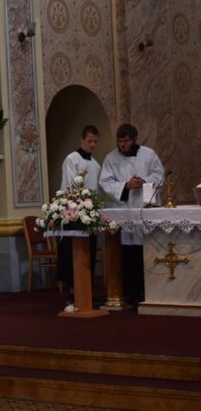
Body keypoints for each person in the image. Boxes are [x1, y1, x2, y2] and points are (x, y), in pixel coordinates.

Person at [99, 123, 165, 304]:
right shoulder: (111, 158)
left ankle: (148, 292)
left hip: (144, 208)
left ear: (134, 139)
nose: (122, 144)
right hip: (125, 210)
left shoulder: (148, 154)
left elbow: (160, 175)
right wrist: (125, 186)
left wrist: (145, 181)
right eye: (119, 141)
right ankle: (131, 293)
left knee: (145, 252)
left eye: (126, 141)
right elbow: (105, 183)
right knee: (128, 254)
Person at [57, 125, 102, 304]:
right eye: (90, 141)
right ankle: (72, 292)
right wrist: (80, 203)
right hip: (72, 212)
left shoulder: (96, 164)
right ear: (81, 139)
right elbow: (70, 185)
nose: (93, 145)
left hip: (89, 214)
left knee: (88, 252)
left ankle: (86, 291)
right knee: (72, 253)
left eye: (95, 142)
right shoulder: (72, 159)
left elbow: (96, 189)